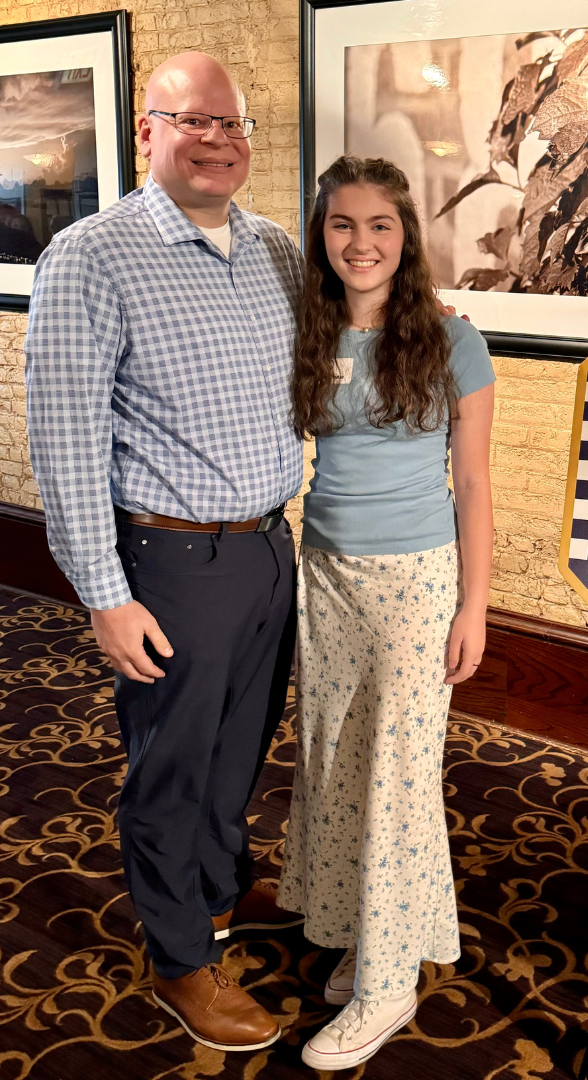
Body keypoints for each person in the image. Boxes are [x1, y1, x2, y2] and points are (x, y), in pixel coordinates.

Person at [24, 52, 307, 1052]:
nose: (218, 140)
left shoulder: (273, 248)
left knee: (239, 753)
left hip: (271, 550)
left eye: (232, 124)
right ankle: (182, 958)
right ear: (148, 131)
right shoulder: (92, 257)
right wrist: (105, 594)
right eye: (193, 121)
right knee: (171, 770)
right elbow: (62, 440)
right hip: (170, 565)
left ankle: (222, 884)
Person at [277, 156, 494, 1072]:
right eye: (341, 225)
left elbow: (477, 483)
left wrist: (476, 607)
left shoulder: (453, 340)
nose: (360, 243)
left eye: (380, 226)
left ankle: (390, 983)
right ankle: (368, 932)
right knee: (335, 758)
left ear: (406, 238)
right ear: (320, 235)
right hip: (324, 574)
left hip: (416, 582)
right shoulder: (305, 326)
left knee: (399, 777)